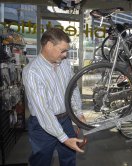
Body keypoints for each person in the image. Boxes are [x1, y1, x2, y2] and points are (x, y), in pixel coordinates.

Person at [22, 28, 85, 166]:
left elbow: (72, 89)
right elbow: (43, 110)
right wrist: (64, 138)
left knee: (69, 158)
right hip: (41, 124)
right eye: (62, 50)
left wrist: (78, 113)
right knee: (41, 161)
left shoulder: (65, 64)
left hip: (65, 119)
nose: (65, 55)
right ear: (49, 45)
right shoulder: (32, 72)